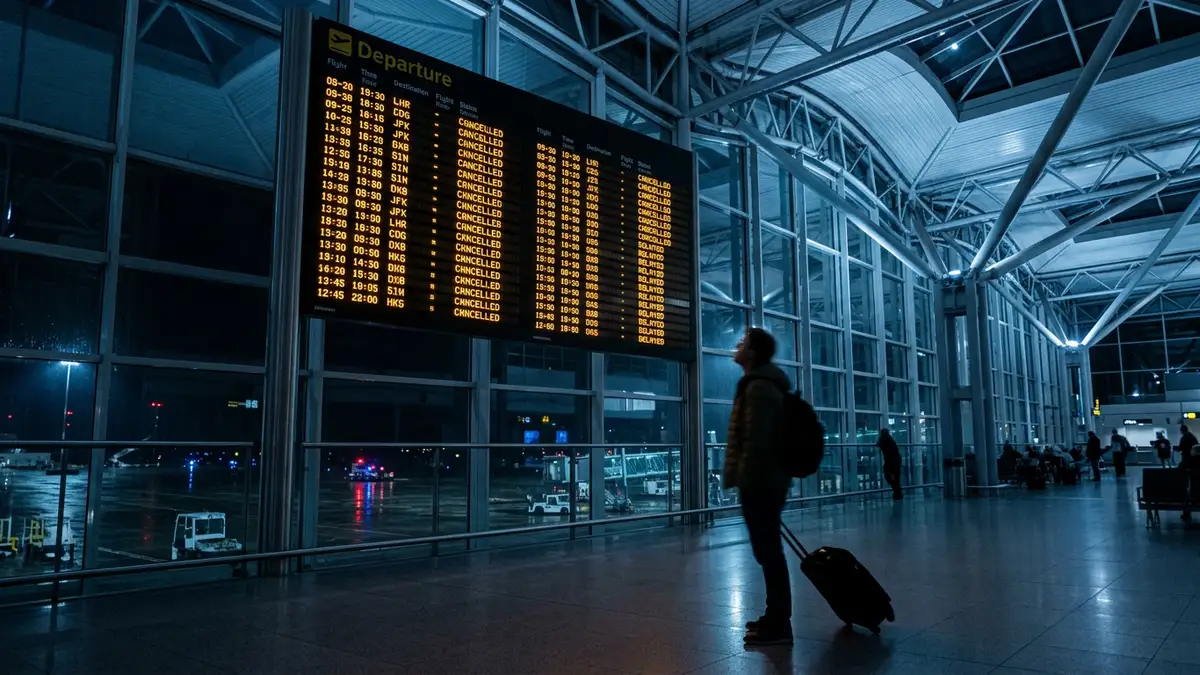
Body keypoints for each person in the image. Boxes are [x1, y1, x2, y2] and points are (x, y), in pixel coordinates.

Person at [724, 328, 794, 646]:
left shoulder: (759, 387)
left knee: (769, 553)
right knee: (768, 553)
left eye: (743, 343)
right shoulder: (761, 383)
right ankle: (775, 616)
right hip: (765, 481)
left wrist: (747, 482)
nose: (737, 346)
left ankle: (779, 624)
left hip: (761, 483)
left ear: (752, 352)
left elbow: (757, 442)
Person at [1178, 425, 1199, 522]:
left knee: (1186, 493)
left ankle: (1186, 514)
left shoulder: (1186, 463)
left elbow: (1180, 448)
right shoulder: (1193, 437)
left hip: (1193, 495)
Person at [877, 428, 902, 500]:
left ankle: (896, 491)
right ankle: (897, 493)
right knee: (896, 478)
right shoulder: (891, 440)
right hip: (896, 460)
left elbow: (878, 444)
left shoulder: (883, 440)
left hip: (890, 461)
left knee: (887, 475)